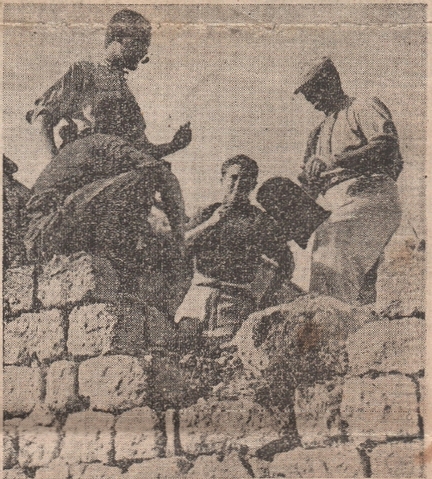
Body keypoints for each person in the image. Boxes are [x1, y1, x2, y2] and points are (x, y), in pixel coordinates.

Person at [26, 9, 191, 267]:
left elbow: (139, 150)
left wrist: (174, 145)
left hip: (115, 169)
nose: (143, 54)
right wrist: (55, 160)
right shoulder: (86, 71)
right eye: (139, 45)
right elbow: (45, 116)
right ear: (118, 40)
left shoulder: (128, 97)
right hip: (84, 166)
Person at [24, 98, 185, 280]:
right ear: (119, 122)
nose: (139, 133)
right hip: (49, 233)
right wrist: (180, 239)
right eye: (135, 125)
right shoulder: (103, 142)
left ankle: (115, 253)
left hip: (42, 237)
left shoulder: (91, 146)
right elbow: (162, 175)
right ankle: (115, 252)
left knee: (139, 177)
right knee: (144, 177)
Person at [294, 57, 403, 305]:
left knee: (332, 247)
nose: (312, 101)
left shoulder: (361, 106)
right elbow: (309, 184)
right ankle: (357, 324)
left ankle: (329, 320)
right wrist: (308, 183)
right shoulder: (317, 133)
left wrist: (335, 161)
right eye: (308, 96)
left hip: (369, 195)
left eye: (315, 92)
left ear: (332, 82)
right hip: (336, 204)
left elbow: (387, 145)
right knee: (352, 276)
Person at [175, 155, 294, 347]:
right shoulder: (206, 213)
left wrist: (265, 298)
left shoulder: (259, 220)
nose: (238, 184)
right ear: (222, 180)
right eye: (234, 177)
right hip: (197, 299)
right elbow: (178, 248)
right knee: (181, 355)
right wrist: (211, 223)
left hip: (235, 303)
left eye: (246, 179)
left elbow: (286, 262)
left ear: (253, 185)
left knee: (225, 361)